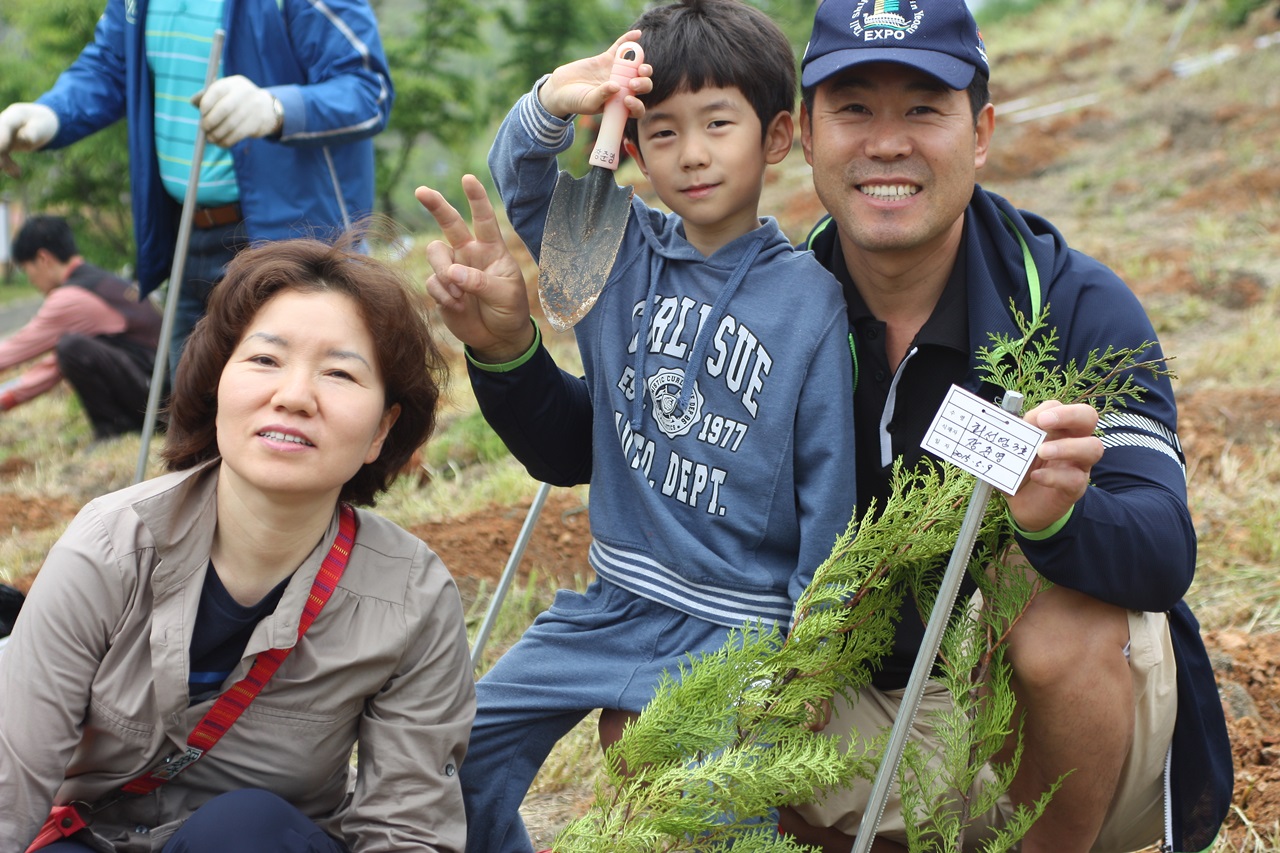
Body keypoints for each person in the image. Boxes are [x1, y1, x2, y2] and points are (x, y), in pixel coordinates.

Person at [418, 0, 1234, 850]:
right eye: (854, 110)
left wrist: (1061, 513)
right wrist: (509, 347)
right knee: (654, 732)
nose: (887, 142)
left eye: (922, 108)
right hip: (852, 693)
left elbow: (1162, 548)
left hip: (1044, 729)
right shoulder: (785, 289)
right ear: (805, 135)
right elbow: (596, 438)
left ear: (981, 130)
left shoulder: (1071, 304)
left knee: (1061, 612)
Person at [417, 2, 857, 851]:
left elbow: (827, 481)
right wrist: (559, 96)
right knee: (453, 757)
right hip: (609, 602)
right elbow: (524, 176)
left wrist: (811, 654)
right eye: (662, 131)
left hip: (732, 629)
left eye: (717, 125)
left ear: (774, 139)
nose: (690, 153)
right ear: (633, 145)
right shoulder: (611, 245)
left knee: (712, 819)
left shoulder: (810, 301)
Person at [0, 236, 475, 852]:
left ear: (383, 429)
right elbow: (12, 787)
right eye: (265, 360)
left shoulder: (411, 598)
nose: (294, 396)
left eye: (338, 372)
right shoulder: (110, 545)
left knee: (244, 829)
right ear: (218, 381)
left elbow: (407, 828)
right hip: (91, 834)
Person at [0, 0, 394, 377]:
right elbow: (110, 66)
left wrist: (275, 108)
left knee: (284, 411)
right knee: (192, 415)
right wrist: (51, 113)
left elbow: (367, 89)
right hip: (185, 234)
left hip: (288, 239)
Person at [1, 215, 162, 439]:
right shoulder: (99, 280)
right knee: (70, 349)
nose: (31, 280)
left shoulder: (69, 298)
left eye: (27, 270)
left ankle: (115, 430)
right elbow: (54, 367)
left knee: (70, 346)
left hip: (158, 397)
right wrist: (6, 398)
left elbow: (11, 352)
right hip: (161, 387)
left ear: (43, 258)